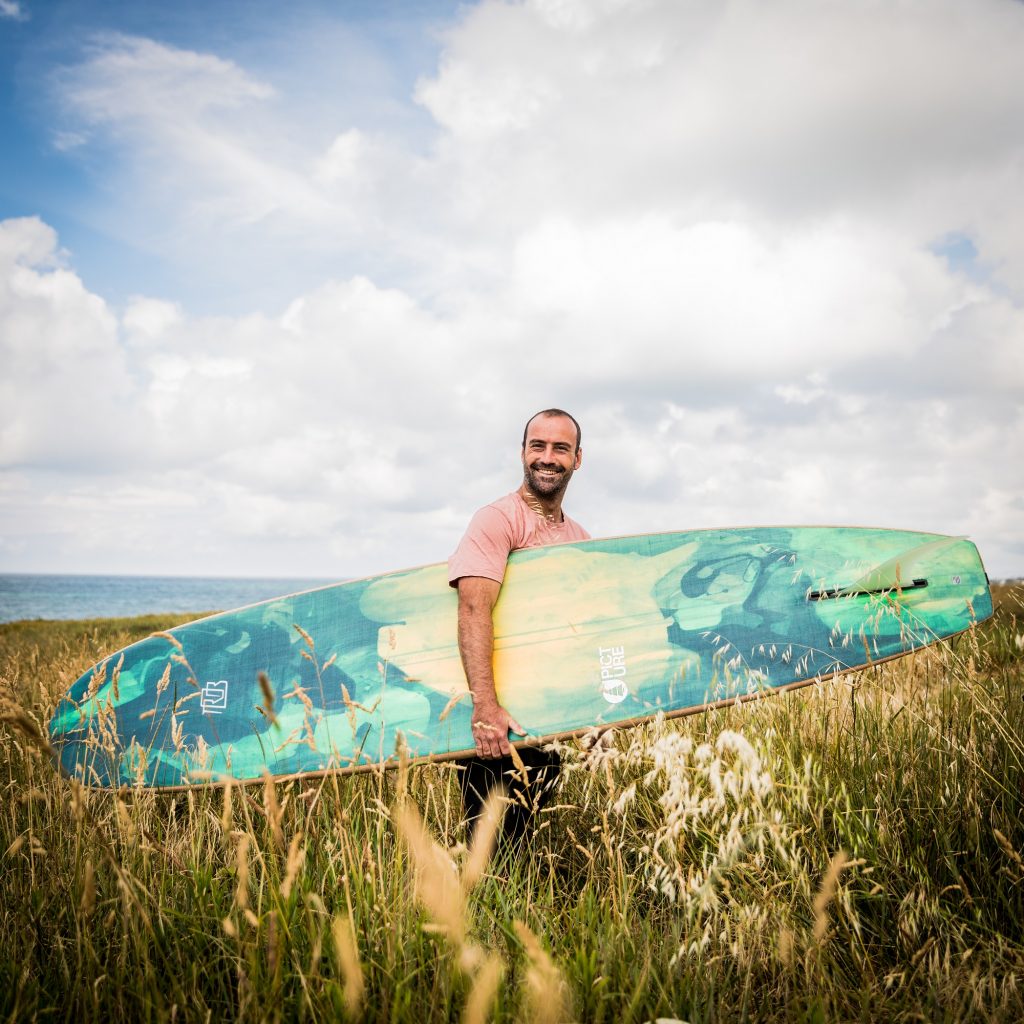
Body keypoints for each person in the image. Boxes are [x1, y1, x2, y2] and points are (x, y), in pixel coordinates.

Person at [447, 408, 590, 846]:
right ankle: (474, 914)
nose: (547, 457)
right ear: (522, 453)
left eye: (560, 448)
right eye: (538, 446)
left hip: (547, 723)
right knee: (489, 851)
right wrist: (485, 708)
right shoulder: (498, 520)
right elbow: (473, 609)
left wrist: (593, 719)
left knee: (522, 844)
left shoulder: (580, 539)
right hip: (499, 722)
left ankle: (509, 912)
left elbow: (581, 635)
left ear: (577, 459)